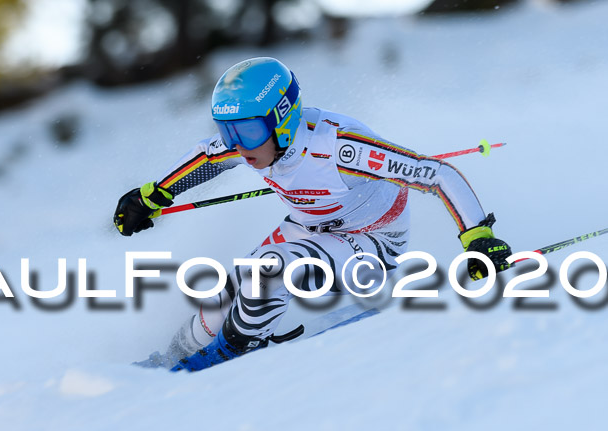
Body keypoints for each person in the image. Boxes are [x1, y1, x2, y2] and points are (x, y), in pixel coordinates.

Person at [114, 57, 512, 371]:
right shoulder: (246, 144)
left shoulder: (338, 148)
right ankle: (169, 359)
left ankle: (228, 355)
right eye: (228, 131)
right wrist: (150, 197)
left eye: (248, 132)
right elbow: (207, 158)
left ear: (283, 120)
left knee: (268, 271)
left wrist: (477, 238)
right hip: (310, 230)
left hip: (372, 242)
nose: (237, 145)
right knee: (233, 286)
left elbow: (436, 174)